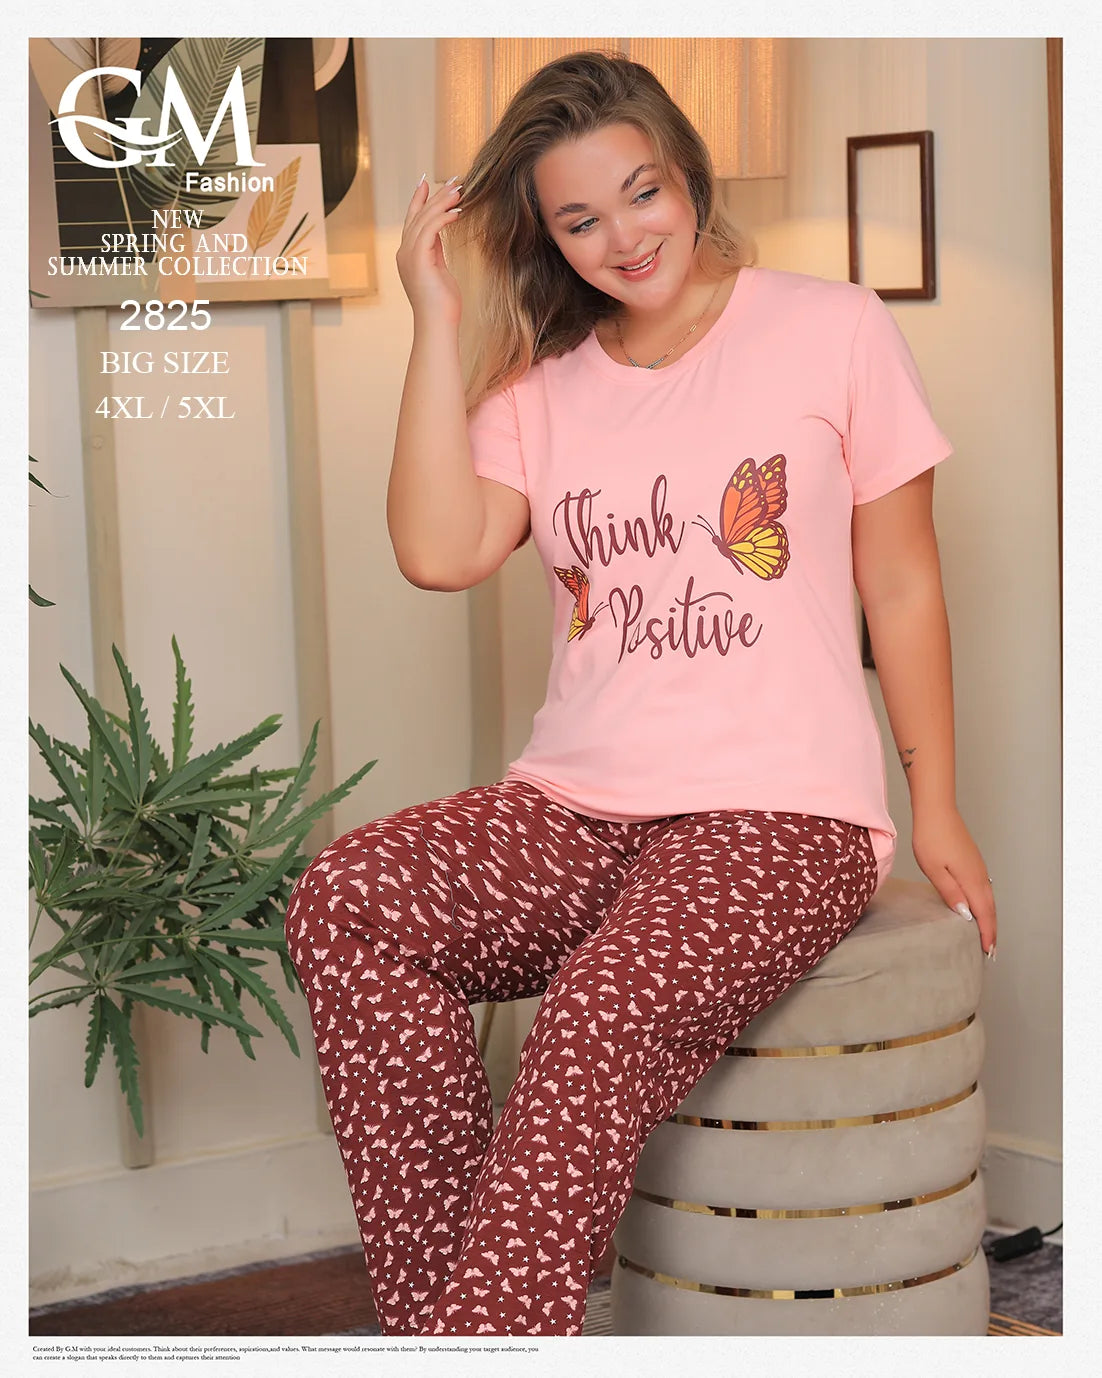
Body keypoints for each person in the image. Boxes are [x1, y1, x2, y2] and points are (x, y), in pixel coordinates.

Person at [284, 50, 997, 1338]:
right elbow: (439, 553)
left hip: (780, 816)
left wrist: (933, 802)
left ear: (689, 177)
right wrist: (434, 315)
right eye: (579, 219)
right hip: (575, 806)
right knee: (350, 901)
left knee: (593, 1019)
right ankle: (459, 1332)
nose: (623, 237)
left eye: (643, 193)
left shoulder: (832, 328)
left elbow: (900, 584)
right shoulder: (540, 383)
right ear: (546, 238)